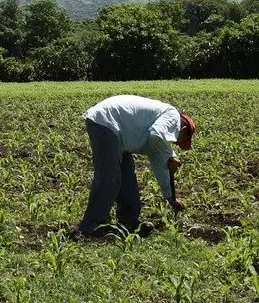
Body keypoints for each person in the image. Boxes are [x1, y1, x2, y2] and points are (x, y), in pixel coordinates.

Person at [73, 94, 195, 238]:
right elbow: (157, 136)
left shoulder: (160, 137)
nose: (175, 143)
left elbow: (160, 166)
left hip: (117, 130)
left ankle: (129, 222)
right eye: (179, 141)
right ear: (183, 129)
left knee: (127, 177)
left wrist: (171, 198)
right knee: (109, 177)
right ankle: (89, 228)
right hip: (106, 121)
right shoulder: (171, 115)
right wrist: (170, 154)